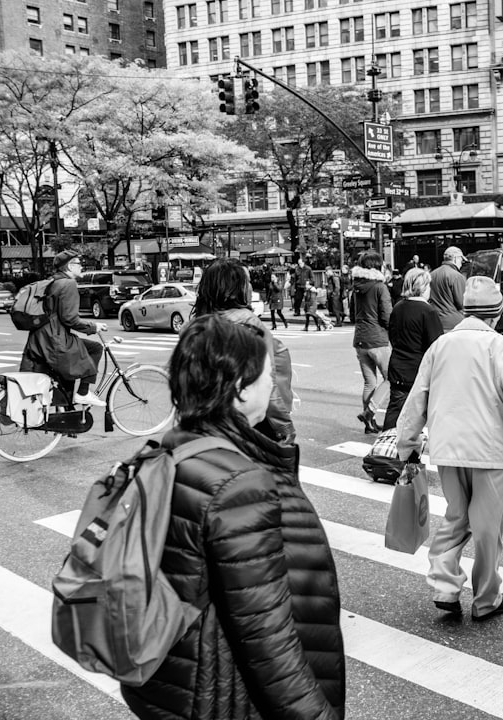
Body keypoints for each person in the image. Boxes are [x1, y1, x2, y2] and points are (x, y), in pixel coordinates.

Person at [121, 314, 344, 720]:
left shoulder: (167, 452)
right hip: (224, 696)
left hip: (170, 687)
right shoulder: (238, 484)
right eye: (265, 375)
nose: (274, 384)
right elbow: (266, 636)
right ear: (239, 389)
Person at [397, 277, 503, 620]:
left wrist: (407, 444)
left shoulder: (440, 345)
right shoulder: (498, 346)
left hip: (448, 448)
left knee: (456, 516)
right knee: (487, 527)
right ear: (495, 315)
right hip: (489, 450)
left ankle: (445, 587)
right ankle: (486, 600)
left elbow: (417, 397)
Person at [192, 258, 296, 443]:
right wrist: (284, 425)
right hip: (253, 423)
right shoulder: (249, 326)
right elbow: (266, 383)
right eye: (246, 282)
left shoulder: (199, 327)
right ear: (234, 288)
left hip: (210, 423)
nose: (250, 287)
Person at [20, 249, 108, 407]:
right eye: (78, 263)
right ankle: (83, 393)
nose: (81, 266)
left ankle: (66, 417)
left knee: (67, 374)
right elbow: (70, 319)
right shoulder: (68, 284)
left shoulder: (53, 282)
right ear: (69, 266)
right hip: (55, 341)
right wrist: (94, 326)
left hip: (41, 339)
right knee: (95, 348)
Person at [384, 267, 443, 431]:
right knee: (419, 417)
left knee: (395, 411)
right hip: (418, 370)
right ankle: (411, 451)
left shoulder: (398, 307)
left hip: (398, 367)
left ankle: (386, 447)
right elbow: (435, 346)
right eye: (429, 286)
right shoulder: (428, 311)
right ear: (423, 288)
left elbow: (393, 336)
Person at [352, 250, 392, 434]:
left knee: (369, 382)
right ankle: (370, 411)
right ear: (377, 266)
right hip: (377, 338)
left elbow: (353, 313)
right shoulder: (379, 287)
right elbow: (386, 315)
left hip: (360, 338)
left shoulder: (357, 286)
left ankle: (369, 424)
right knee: (391, 378)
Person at [429, 245, 467, 332]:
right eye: (461, 260)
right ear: (455, 259)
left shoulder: (432, 274)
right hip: (453, 324)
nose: (461, 264)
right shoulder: (457, 276)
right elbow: (462, 303)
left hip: (435, 322)